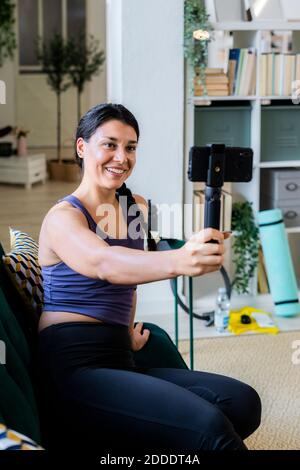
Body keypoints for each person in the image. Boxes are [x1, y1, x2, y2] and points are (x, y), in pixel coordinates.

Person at [37, 103, 261, 451]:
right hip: (73, 365)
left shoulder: (135, 206)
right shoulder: (62, 218)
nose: (121, 157)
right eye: (109, 144)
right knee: (211, 429)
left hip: (119, 357)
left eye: (130, 147)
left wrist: (124, 331)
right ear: (82, 148)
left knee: (242, 403)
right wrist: (181, 259)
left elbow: (131, 275)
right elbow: (104, 263)